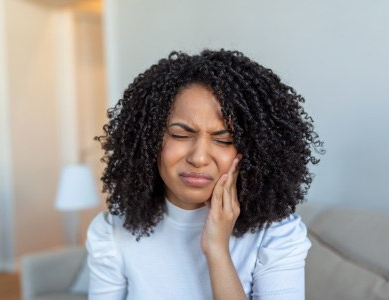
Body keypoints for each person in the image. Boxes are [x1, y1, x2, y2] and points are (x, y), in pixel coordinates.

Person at [86, 49, 323, 300]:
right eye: (180, 135)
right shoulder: (111, 232)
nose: (198, 157)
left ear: (254, 151)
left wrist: (217, 250)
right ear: (148, 140)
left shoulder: (276, 234)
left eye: (224, 140)